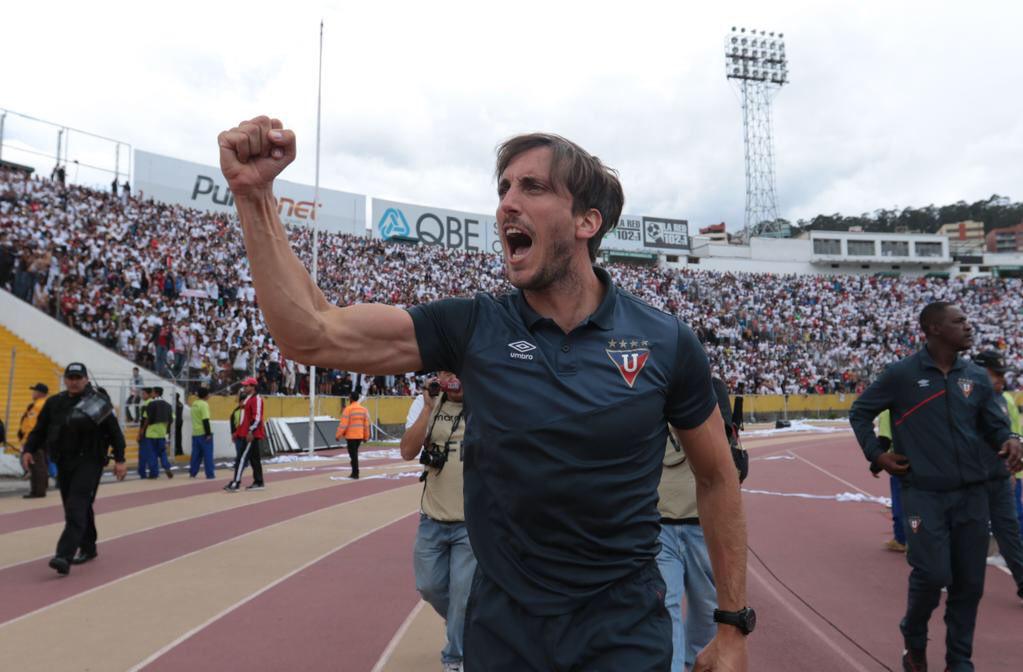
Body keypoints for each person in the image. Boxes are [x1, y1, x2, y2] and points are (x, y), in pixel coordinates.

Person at [218, 116, 750, 670]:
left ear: (587, 220)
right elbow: (312, 331)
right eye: (503, 189)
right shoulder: (473, 327)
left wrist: (733, 625)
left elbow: (716, 477)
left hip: (624, 636)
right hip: (504, 638)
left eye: (533, 187)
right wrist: (255, 197)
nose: (506, 204)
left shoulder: (666, 341)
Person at [849, 302, 1023, 672]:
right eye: (959, 321)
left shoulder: (975, 377)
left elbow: (996, 426)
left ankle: (959, 661)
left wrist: (1010, 439)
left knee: (970, 584)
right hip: (924, 494)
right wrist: (876, 455)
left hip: (973, 495)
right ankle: (913, 635)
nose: (968, 326)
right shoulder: (901, 375)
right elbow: (860, 411)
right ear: (934, 328)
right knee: (933, 574)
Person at [657, 377, 748, 672]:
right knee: (666, 614)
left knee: (702, 618)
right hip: (668, 523)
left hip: (699, 525)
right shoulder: (655, 384)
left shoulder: (707, 387)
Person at [400, 372, 476, 672]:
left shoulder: (486, 402)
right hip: (432, 517)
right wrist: (430, 408)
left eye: (460, 371)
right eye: (449, 373)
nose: (455, 380)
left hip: (470, 522)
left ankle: (454, 658)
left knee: (462, 595)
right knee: (429, 587)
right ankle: (464, 623)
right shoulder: (425, 403)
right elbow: (407, 451)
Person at [21, 363, 127, 575]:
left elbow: (115, 433)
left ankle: (64, 555)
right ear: (65, 379)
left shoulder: (97, 402)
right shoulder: (54, 403)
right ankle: (88, 547)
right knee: (79, 505)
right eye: (71, 377)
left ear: (86, 379)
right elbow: (39, 430)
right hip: (63, 461)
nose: (74, 381)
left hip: (90, 461)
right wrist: (29, 449)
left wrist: (120, 459)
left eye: (79, 377)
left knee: (76, 505)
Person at [972, 349, 1023, 601]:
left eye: (1002, 375)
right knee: (968, 533)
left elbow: (1013, 433)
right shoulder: (961, 400)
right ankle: (953, 578)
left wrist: (1013, 468)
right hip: (969, 481)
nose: (1000, 380)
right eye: (995, 375)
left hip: (999, 478)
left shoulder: (1003, 400)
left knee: (1010, 533)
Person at [872, 410, 907, 553]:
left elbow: (885, 440)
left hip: (900, 462)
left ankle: (901, 540)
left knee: (900, 504)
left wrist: (876, 466)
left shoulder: (887, 412)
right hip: (921, 458)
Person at [224, 376, 265, 491]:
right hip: (248, 433)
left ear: (253, 387)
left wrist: (250, 431)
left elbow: (257, 418)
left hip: (251, 434)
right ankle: (258, 481)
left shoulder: (256, 399)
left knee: (241, 458)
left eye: (246, 385)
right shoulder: (249, 398)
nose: (244, 387)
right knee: (254, 459)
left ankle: (236, 483)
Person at [19, 382, 50, 498]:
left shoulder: (38, 406)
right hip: (40, 439)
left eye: (35, 391)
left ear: (40, 393)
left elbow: (32, 425)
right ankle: (40, 489)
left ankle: (37, 491)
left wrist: (28, 440)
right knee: (40, 465)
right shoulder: (41, 404)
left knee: (36, 465)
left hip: (35, 440)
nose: (33, 393)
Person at [139, 387, 174, 479]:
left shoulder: (151, 404)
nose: (151, 394)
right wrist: (167, 433)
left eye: (153, 392)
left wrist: (142, 430)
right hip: (162, 432)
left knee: (152, 454)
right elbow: (171, 419)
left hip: (151, 433)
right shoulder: (168, 405)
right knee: (162, 452)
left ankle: (154, 473)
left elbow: (147, 418)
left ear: (155, 393)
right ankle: (166, 466)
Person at [336, 391, 370, 479]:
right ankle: (355, 471)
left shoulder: (348, 409)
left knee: (353, 455)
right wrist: (366, 436)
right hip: (359, 436)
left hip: (351, 436)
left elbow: (343, 424)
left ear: (350, 398)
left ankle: (355, 473)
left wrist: (338, 435)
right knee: (354, 454)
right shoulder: (363, 410)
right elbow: (366, 425)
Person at [189, 387, 215, 479]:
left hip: (195, 433)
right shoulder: (204, 404)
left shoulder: (194, 404)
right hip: (204, 433)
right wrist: (208, 433)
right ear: (206, 395)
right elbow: (205, 420)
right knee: (208, 455)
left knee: (195, 455)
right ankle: (210, 474)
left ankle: (192, 473)